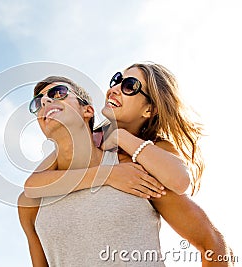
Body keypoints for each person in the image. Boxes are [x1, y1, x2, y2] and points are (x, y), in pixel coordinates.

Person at [18, 64, 233, 266]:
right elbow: (31, 186)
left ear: (88, 110)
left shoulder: (141, 168)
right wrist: (108, 175)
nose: (45, 102)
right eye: (117, 80)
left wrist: (121, 138)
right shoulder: (36, 199)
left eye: (130, 85)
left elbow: (210, 239)